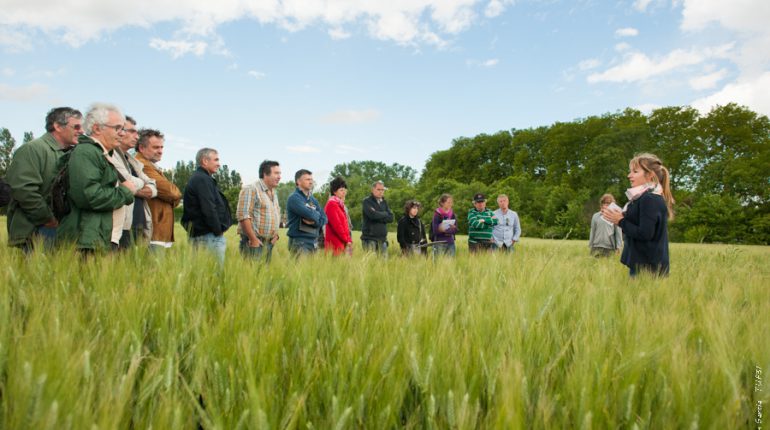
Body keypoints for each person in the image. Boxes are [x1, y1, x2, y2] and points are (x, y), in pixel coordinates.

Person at [57, 103, 136, 252]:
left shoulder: (102, 154)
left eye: (123, 129)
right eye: (117, 128)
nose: (122, 133)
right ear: (97, 128)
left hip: (97, 238)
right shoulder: (86, 152)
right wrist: (125, 192)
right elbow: (88, 196)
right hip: (87, 241)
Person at [5, 107, 83, 251]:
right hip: (36, 229)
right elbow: (24, 190)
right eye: (76, 126)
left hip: (60, 229)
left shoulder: (71, 154)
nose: (82, 131)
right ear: (58, 126)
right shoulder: (32, 149)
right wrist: (47, 219)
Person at [602, 153, 674, 277]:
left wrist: (620, 221)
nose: (629, 175)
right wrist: (621, 218)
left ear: (650, 175)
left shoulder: (649, 199)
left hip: (648, 269)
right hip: (645, 265)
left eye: (635, 172)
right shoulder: (644, 197)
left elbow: (645, 233)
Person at [109, 115, 156, 250]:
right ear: (119, 131)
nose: (137, 136)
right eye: (132, 131)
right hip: (121, 226)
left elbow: (153, 187)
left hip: (137, 224)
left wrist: (135, 186)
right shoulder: (110, 155)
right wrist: (140, 184)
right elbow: (127, 181)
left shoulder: (132, 161)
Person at [181, 148, 232, 265]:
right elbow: (208, 208)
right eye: (216, 160)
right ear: (205, 161)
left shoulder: (200, 178)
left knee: (202, 276)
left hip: (204, 235)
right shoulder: (202, 179)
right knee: (213, 275)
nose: (219, 164)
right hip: (207, 236)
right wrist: (217, 231)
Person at [135, 128, 182, 250]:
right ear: (141, 148)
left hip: (159, 232)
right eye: (156, 147)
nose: (160, 151)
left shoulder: (152, 166)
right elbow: (171, 192)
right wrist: (172, 196)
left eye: (162, 147)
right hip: (153, 232)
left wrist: (172, 196)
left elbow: (174, 196)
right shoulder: (142, 164)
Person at [236, 160, 281, 263]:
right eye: (276, 173)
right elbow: (243, 215)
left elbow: (276, 215)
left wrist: (276, 236)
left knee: (263, 276)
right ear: (265, 174)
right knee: (252, 276)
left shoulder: (274, 192)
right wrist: (253, 239)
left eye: (280, 173)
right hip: (254, 244)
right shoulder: (251, 189)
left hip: (269, 243)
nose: (279, 177)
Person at [286, 169, 326, 255]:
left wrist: (314, 222)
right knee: (299, 268)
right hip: (300, 242)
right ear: (298, 182)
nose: (311, 182)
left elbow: (325, 218)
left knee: (312, 269)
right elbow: (310, 215)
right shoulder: (294, 198)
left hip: (314, 242)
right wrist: (315, 214)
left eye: (311, 179)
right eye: (307, 179)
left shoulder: (313, 199)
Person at [360, 180, 393, 256]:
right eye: (378, 189)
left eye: (382, 190)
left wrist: (377, 213)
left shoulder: (384, 202)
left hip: (382, 240)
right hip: (370, 239)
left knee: (384, 265)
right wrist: (385, 213)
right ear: (373, 189)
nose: (381, 191)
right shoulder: (367, 201)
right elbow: (373, 216)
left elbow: (391, 218)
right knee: (371, 264)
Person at [324, 177, 353, 256]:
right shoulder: (331, 204)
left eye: (344, 190)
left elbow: (346, 225)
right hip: (335, 244)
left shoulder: (340, 205)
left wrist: (349, 240)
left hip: (343, 242)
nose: (344, 192)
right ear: (334, 192)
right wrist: (347, 240)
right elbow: (337, 225)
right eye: (341, 190)